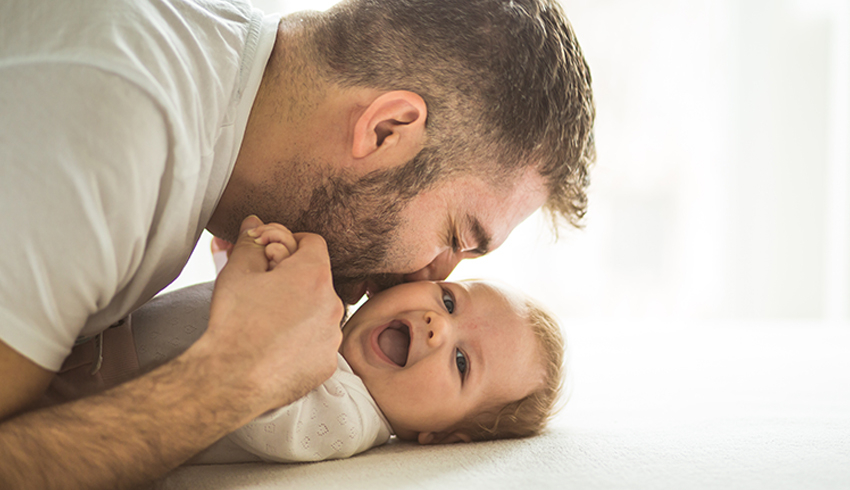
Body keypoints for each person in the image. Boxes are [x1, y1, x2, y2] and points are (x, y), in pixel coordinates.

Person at [0, 0, 594, 487]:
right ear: (385, 131)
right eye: (456, 236)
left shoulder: (201, 69)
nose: (430, 276)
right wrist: (228, 379)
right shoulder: (107, 139)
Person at [44, 224, 566, 463]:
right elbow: (237, 315)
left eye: (461, 362)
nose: (437, 326)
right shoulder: (327, 317)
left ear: (441, 436)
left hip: (90, 393)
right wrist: (246, 265)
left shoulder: (348, 418)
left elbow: (258, 401)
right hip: (91, 333)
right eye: (449, 302)